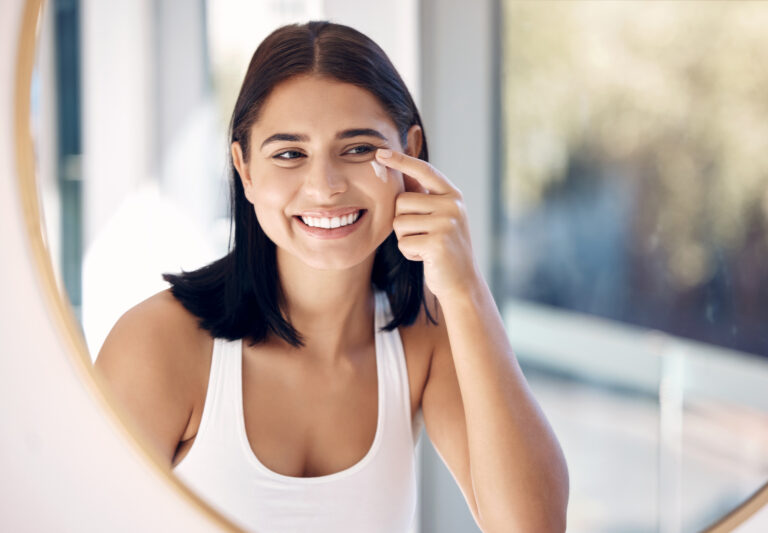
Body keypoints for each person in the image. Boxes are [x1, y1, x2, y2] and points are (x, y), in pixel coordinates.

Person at [94, 20, 569, 533]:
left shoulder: (424, 337)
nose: (324, 187)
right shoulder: (158, 345)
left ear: (410, 152)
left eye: (360, 149)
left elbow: (533, 526)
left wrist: (466, 288)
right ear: (245, 169)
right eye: (289, 154)